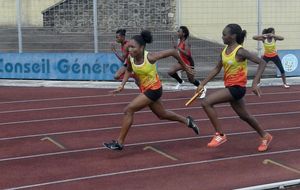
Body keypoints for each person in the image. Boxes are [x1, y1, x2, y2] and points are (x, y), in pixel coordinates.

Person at [104, 30, 199, 151]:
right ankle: (188, 121)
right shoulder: (131, 57)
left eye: (133, 47)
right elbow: (128, 69)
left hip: (154, 89)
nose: (130, 50)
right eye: (129, 47)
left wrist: (185, 66)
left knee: (128, 110)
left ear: (142, 47)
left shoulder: (150, 57)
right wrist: (122, 85)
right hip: (145, 89)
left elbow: (173, 52)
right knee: (162, 114)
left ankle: (119, 143)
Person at [195, 24, 272, 152]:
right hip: (230, 87)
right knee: (245, 116)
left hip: (237, 88)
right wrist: (202, 83)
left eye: (224, 34)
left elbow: (262, 63)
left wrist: (254, 83)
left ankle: (220, 134)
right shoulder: (224, 51)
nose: (222, 37)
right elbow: (217, 68)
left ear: (233, 36)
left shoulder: (240, 51)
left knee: (206, 102)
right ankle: (265, 136)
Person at [168, 26, 207, 98]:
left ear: (184, 33)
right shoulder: (181, 41)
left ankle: (203, 88)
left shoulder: (186, 42)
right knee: (170, 71)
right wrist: (174, 45)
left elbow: (187, 54)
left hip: (188, 63)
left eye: (179, 31)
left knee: (191, 80)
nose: (177, 33)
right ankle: (180, 81)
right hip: (181, 62)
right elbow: (178, 49)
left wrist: (177, 48)